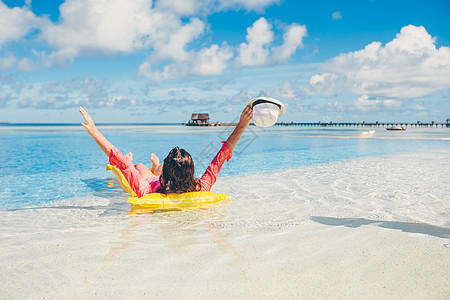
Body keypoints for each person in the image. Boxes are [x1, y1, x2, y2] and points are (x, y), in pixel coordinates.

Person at [79, 106, 253, 197]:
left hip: (157, 180)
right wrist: (242, 126)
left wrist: (94, 132)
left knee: (137, 166)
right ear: (192, 171)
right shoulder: (201, 187)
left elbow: (119, 161)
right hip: (165, 177)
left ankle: (155, 165)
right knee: (156, 167)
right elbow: (220, 158)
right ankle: (157, 165)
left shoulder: (146, 188)